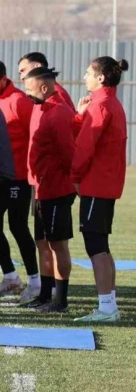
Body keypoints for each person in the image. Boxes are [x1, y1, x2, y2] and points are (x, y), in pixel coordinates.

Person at [0, 59, 40, 303]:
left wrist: (30, 171)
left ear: (4, 79)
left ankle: (35, 281)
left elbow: (35, 136)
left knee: (18, 226)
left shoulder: (19, 101)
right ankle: (11, 276)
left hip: (17, 178)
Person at [72, 58, 129, 323]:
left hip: (96, 184)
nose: (85, 77)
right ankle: (109, 305)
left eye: (88, 73)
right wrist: (80, 116)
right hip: (106, 184)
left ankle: (106, 308)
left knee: (95, 245)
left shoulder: (101, 105)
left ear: (101, 78)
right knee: (101, 245)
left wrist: (75, 176)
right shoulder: (112, 102)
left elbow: (85, 146)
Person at [21, 66, 75, 313]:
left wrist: (68, 183)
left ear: (44, 87)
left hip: (56, 189)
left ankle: (60, 300)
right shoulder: (40, 109)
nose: (26, 93)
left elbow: (68, 154)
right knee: (42, 242)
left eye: (29, 88)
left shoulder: (58, 112)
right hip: (41, 188)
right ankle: (45, 294)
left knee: (57, 245)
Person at [18, 52, 77, 135]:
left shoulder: (56, 93)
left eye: (23, 70)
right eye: (20, 73)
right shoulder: (38, 95)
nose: (21, 77)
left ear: (37, 66)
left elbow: (67, 132)